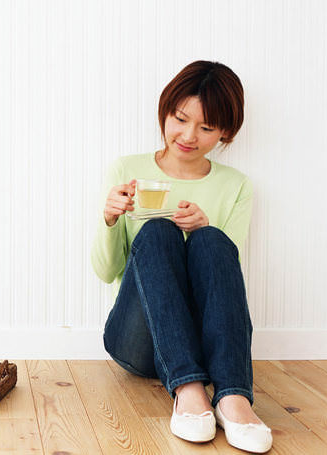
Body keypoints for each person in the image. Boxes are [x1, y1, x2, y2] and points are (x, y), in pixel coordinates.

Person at [91, 60, 272, 453]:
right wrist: (108, 218)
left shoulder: (236, 187)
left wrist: (205, 230)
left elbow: (226, 283)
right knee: (157, 230)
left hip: (210, 347)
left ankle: (232, 396)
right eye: (180, 119)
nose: (189, 136)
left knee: (212, 241)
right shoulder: (128, 169)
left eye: (206, 128)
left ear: (226, 131)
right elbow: (107, 273)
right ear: (166, 111)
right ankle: (188, 389)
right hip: (137, 341)